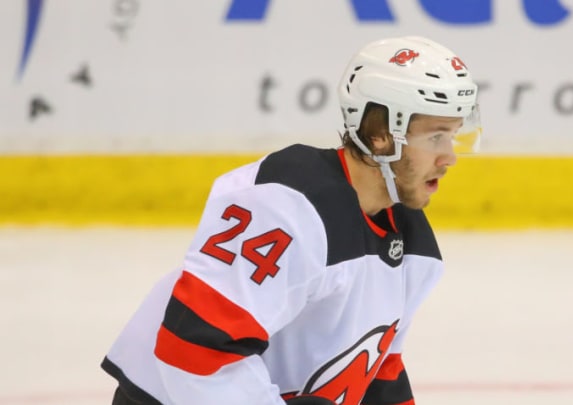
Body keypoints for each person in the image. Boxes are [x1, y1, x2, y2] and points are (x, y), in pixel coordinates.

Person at [102, 35, 481, 405]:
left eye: (452, 136)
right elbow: (193, 351)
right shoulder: (286, 206)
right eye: (434, 137)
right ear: (381, 134)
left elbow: (379, 373)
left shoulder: (414, 244)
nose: (450, 157)